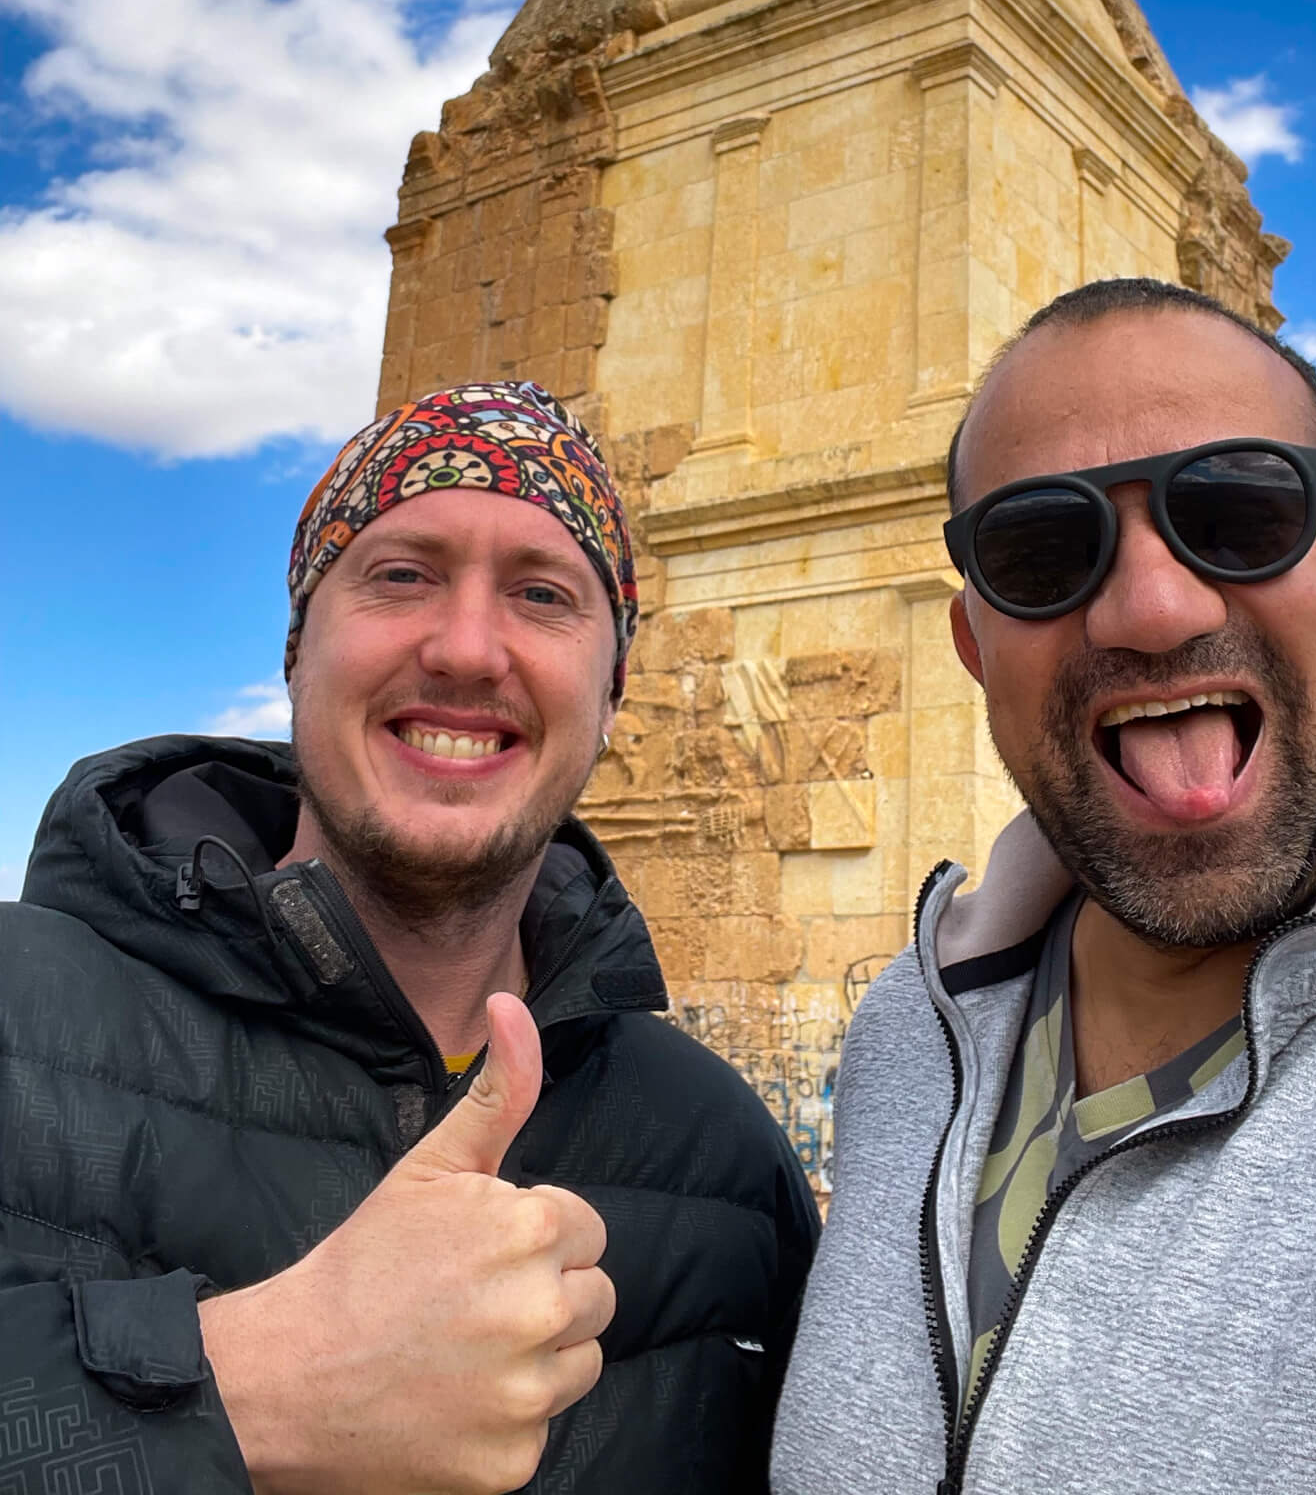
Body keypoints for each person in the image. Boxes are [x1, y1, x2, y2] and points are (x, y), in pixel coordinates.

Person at [772, 277, 1316, 1495]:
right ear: (977, 652)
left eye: (1238, 513)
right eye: (1041, 551)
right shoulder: (906, 1035)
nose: (1152, 607)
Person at [5, 381, 818, 1494]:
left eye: (542, 594)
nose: (469, 647)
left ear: (611, 694)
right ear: (297, 647)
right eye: (402, 574)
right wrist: (241, 1388)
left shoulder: (722, 1155)